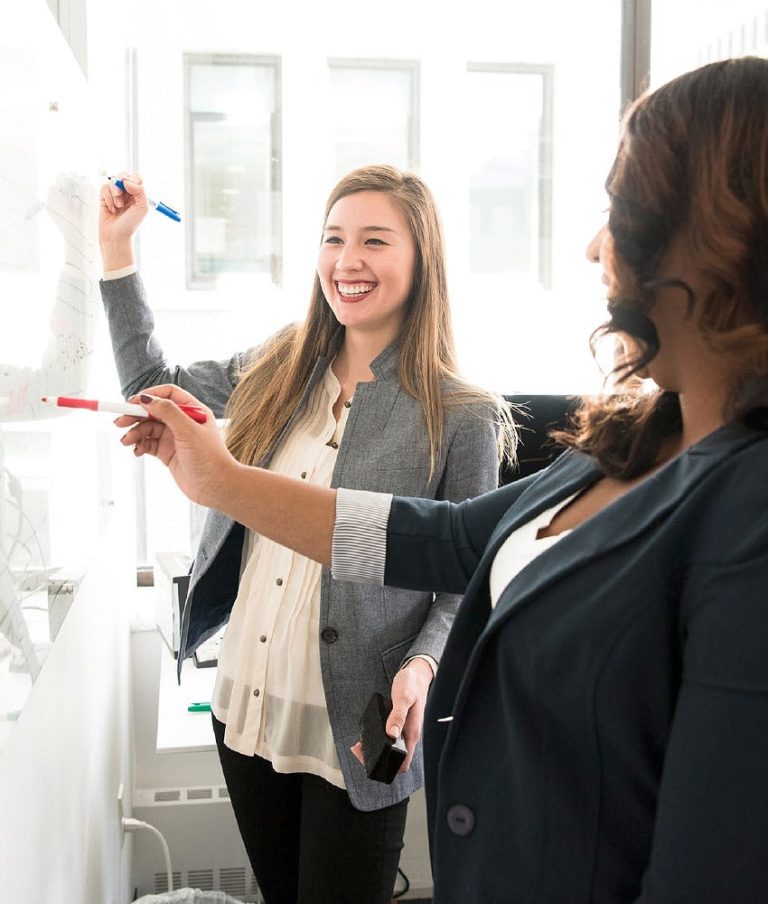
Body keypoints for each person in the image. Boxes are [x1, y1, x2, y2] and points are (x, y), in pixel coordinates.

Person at [115, 57, 768, 902]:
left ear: (716, 234)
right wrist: (221, 481)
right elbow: (447, 539)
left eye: (619, 207)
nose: (593, 244)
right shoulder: (631, 442)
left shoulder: (745, 514)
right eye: (334, 238)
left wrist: (420, 666)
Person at [98, 164, 514, 904]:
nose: (346, 260)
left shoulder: (462, 414)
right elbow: (150, 384)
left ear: (422, 261)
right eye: (333, 239)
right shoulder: (277, 365)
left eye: (374, 241)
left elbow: (467, 578)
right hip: (246, 704)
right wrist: (117, 252)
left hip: (360, 725)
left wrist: (422, 664)